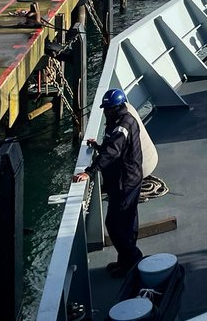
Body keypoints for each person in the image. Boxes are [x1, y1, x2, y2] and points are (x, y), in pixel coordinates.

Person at [73, 88, 144, 276]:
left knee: (114, 223)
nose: (105, 111)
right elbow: (113, 146)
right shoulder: (120, 121)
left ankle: (133, 261)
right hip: (127, 179)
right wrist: (98, 146)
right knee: (128, 223)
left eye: (107, 108)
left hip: (125, 182)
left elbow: (113, 151)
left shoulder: (123, 126)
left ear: (115, 107)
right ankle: (126, 262)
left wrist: (90, 171)